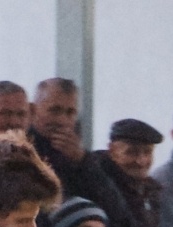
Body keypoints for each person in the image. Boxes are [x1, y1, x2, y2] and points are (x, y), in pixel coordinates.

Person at [28, 78, 118, 210]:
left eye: (70, 113)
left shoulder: (82, 159)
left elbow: (112, 206)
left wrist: (82, 161)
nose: (62, 120)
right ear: (33, 110)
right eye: (55, 111)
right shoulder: (22, 150)